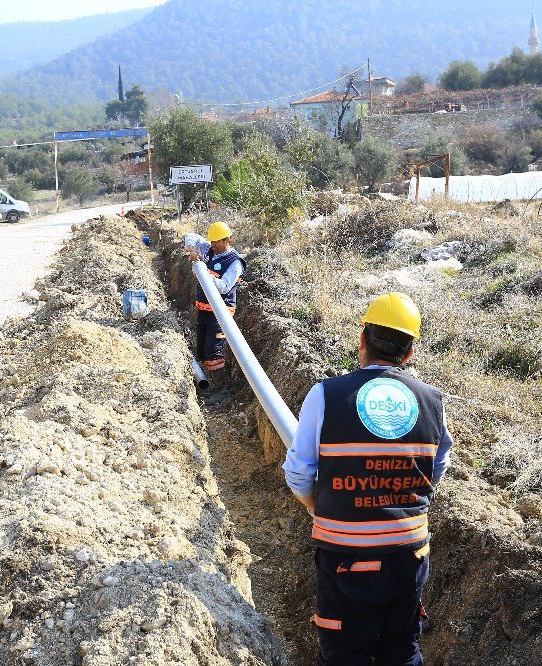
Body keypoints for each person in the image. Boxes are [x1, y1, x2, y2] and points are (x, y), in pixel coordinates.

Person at [282, 292, 454, 666]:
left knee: (345, 653)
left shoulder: (326, 395)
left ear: (362, 340)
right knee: (402, 650)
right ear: (409, 353)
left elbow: (298, 474)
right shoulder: (433, 401)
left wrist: (322, 508)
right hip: (410, 553)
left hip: (348, 557)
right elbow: (434, 471)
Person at [185, 221, 245, 406]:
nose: (212, 245)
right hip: (205, 310)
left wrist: (202, 270)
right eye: (211, 241)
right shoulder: (211, 250)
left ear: (227, 240)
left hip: (221, 313)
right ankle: (212, 383)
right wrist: (191, 249)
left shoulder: (235, 262)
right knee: (203, 350)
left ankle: (222, 390)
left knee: (214, 350)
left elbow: (225, 287)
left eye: (216, 242)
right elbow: (192, 237)